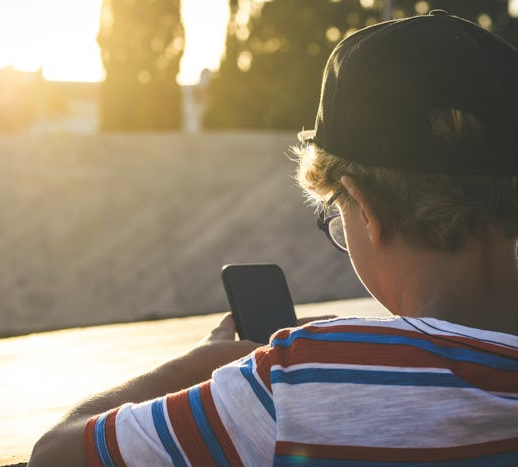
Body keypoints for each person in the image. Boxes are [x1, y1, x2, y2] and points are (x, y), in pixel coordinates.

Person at [29, 10, 518, 466]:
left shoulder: (305, 378)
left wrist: (195, 366)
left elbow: (55, 455)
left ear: (365, 209)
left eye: (338, 218)